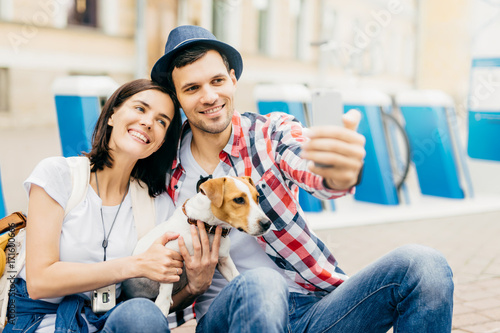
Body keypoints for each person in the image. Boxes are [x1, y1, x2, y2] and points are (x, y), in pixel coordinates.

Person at [151, 25, 455, 333]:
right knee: (263, 283)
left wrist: (335, 174)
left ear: (232, 79)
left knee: (424, 265)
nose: (209, 96)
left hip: (312, 311)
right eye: (192, 88)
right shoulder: (163, 167)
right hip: (230, 316)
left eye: (217, 81)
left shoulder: (270, 133)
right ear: (176, 96)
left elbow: (306, 163)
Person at [4, 79, 193, 333]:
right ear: (113, 114)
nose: (148, 122)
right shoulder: (59, 175)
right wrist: (134, 265)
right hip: (40, 322)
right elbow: (40, 281)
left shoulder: (157, 205)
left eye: (162, 121)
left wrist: (194, 287)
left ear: (160, 143)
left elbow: (153, 307)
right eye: (140, 108)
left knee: (141, 315)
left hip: (108, 320)